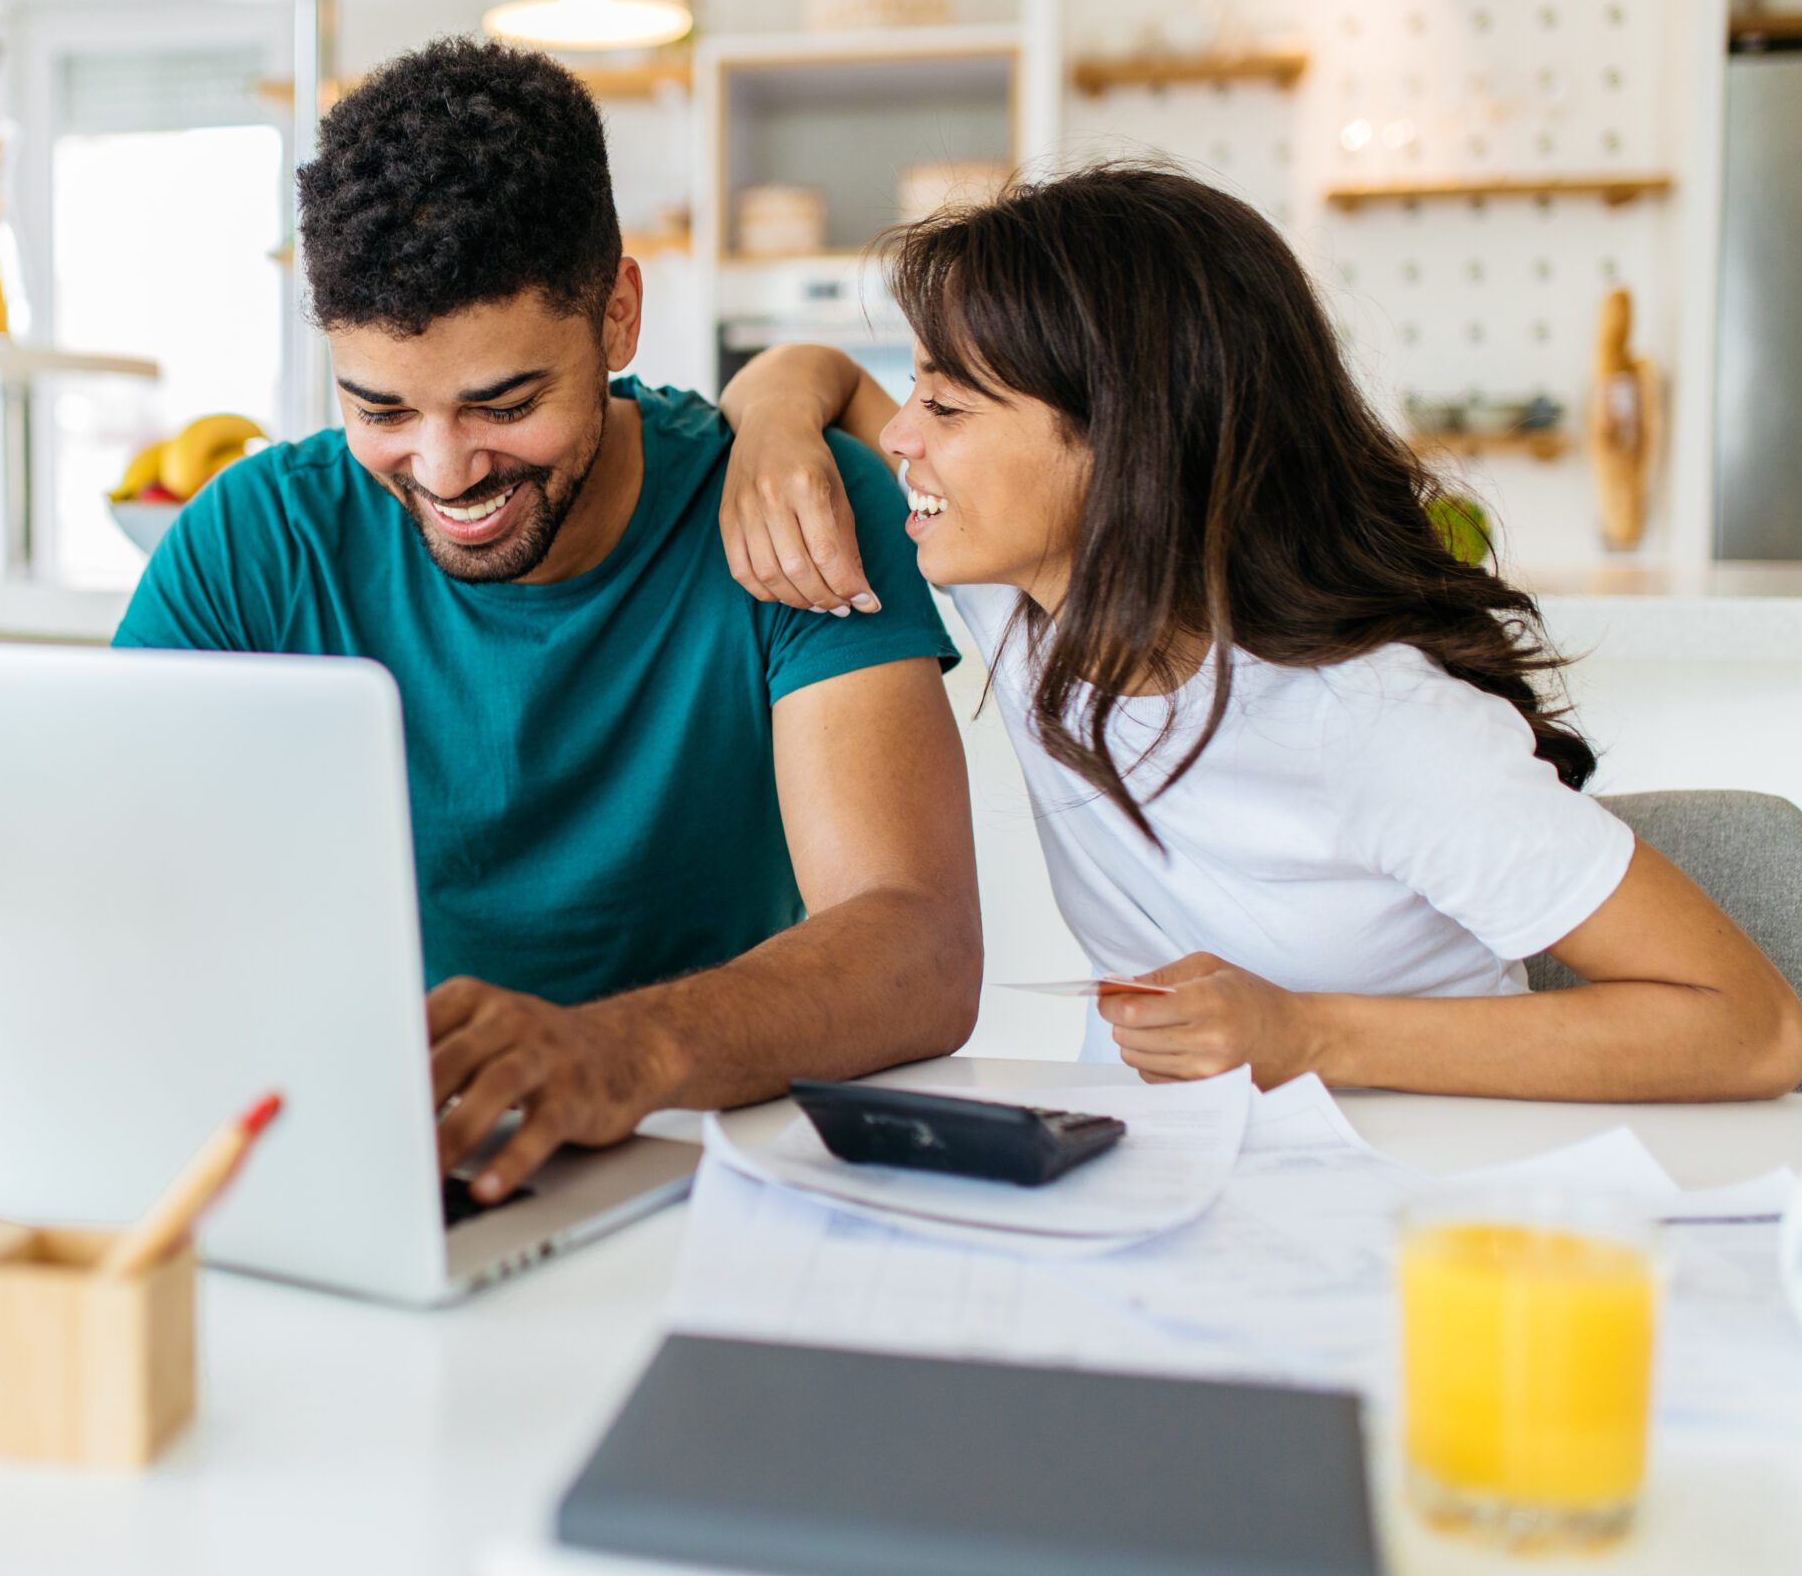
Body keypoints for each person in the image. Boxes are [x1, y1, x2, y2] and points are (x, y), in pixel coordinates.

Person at [716, 162, 1802, 1102]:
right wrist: (768, 420)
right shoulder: (1023, 596)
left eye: (947, 408)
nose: (899, 436)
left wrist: (1305, 1033)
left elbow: (1750, 1028)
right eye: (916, 391)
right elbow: (815, 374)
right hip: (1175, 1175)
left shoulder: (1373, 720)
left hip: (1408, 1187)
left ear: (1126, 447)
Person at [113, 37, 983, 1202]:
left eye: (504, 404)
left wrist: (613, 1054)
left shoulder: (792, 508)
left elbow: (917, 946)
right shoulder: (252, 543)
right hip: (350, 1164)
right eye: (379, 409)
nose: (444, 470)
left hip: (695, 1168)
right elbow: (111, 889)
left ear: (617, 317)